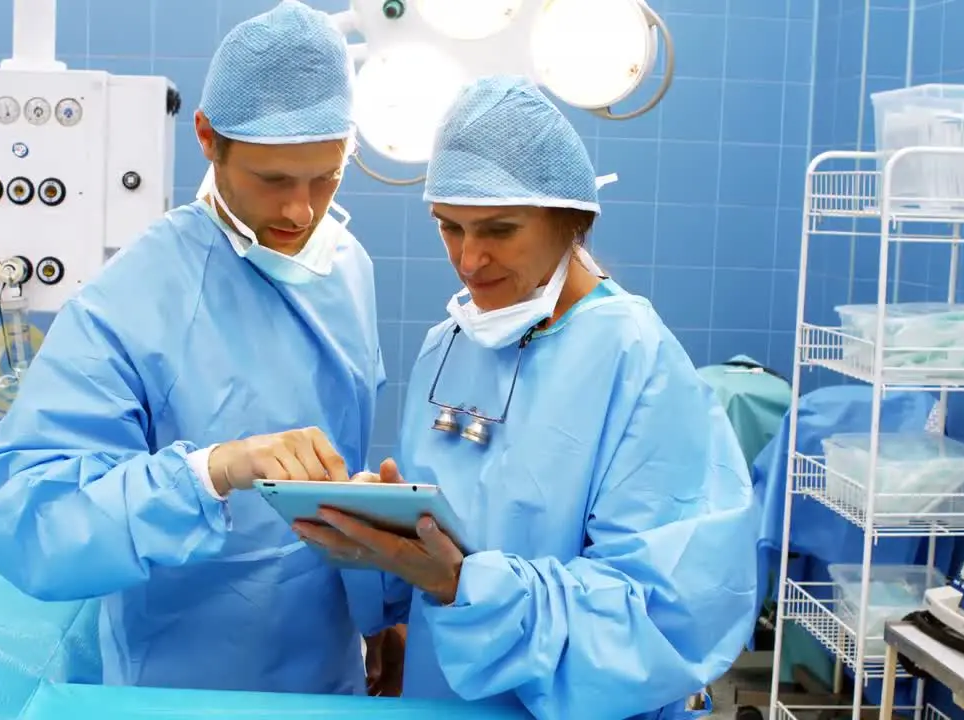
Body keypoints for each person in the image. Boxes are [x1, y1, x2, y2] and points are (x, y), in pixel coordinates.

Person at [0, 0, 392, 695]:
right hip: (184, 683)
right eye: (274, 180)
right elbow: (22, 517)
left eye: (326, 176)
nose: (300, 212)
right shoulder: (136, 299)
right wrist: (210, 472)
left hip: (326, 681)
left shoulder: (345, 267)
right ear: (207, 138)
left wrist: (380, 607)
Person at [295, 75, 760, 719]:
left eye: (499, 229)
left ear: (572, 220)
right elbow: (437, 561)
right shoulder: (447, 347)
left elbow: (667, 614)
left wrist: (462, 583)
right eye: (449, 227)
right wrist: (379, 545)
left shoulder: (636, 359)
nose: (469, 258)